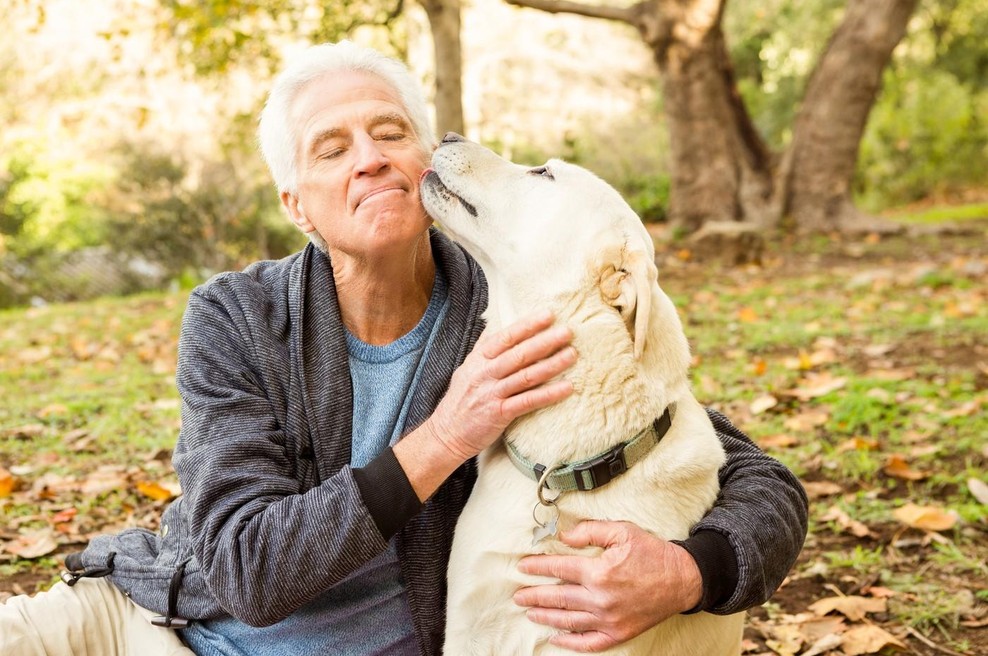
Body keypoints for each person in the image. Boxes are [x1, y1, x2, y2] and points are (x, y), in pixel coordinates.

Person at [0, 41, 807, 655]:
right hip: (157, 628)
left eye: (390, 132)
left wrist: (690, 572)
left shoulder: (514, 304)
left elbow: (750, 473)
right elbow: (248, 571)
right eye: (332, 147)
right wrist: (449, 433)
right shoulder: (237, 318)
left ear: (425, 163)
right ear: (298, 206)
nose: (371, 157)